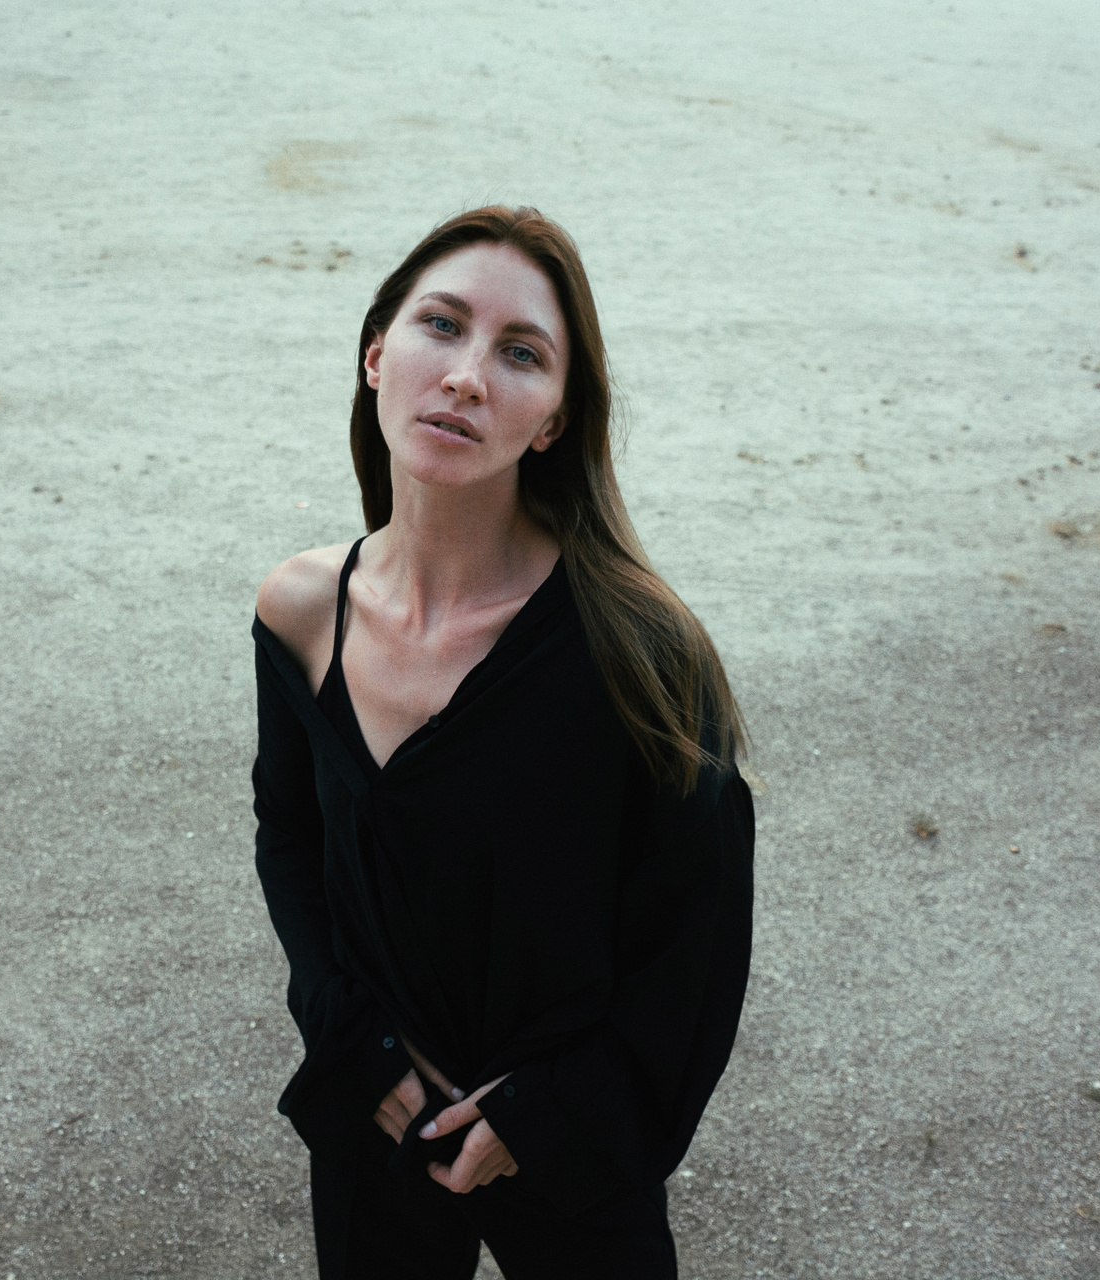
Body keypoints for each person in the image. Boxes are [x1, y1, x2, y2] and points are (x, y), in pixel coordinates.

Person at [250, 206, 754, 1279]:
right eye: (441, 325)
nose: (467, 376)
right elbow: (289, 836)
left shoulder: (640, 651)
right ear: (375, 354)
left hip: (567, 1143)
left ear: (555, 420)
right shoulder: (300, 611)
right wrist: (347, 1033)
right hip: (376, 1111)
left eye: (521, 353)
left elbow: (695, 941)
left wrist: (554, 1111)